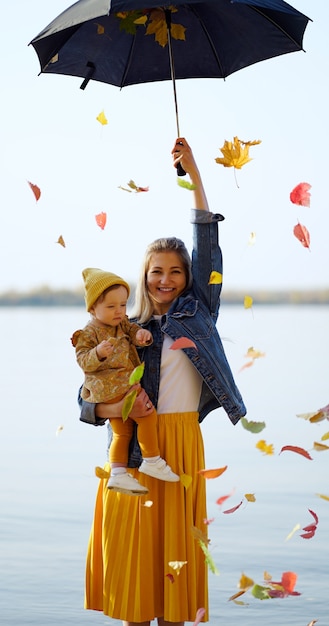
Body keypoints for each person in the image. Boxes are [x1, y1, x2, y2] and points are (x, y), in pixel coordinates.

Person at [79, 138, 247, 625]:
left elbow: (207, 244)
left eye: (176, 272)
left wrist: (193, 173)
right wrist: (107, 412)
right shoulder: (124, 330)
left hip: (182, 446)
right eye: (157, 271)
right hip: (131, 454)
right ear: (144, 275)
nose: (166, 280)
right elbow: (85, 394)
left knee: (177, 583)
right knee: (135, 579)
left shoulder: (200, 313)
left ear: (187, 278)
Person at [71, 267, 179, 495]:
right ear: (92, 308)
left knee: (122, 432)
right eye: (111, 307)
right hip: (112, 387)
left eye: (122, 305)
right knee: (148, 417)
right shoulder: (89, 333)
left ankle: (118, 473)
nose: (119, 311)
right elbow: (83, 360)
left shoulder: (121, 324)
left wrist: (141, 336)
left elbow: (133, 331)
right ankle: (151, 459)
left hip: (119, 388)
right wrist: (98, 353)